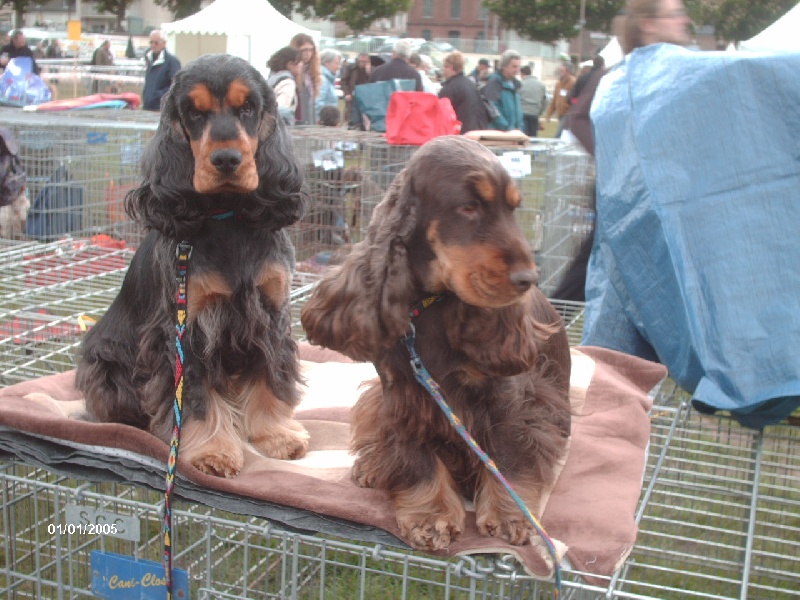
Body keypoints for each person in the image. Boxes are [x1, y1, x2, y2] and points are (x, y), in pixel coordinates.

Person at [437, 50, 487, 134]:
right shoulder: (471, 84)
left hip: (458, 133)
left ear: (451, 67)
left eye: (445, 67)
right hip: (474, 131)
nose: (443, 70)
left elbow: (441, 114)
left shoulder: (449, 88)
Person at [482, 49, 524, 132]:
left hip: (515, 133)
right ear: (504, 66)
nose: (517, 70)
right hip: (499, 133)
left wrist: (520, 128)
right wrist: (507, 128)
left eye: (518, 66)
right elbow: (492, 109)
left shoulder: (516, 85)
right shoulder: (494, 83)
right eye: (514, 66)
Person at [142, 30, 181, 111]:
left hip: (162, 108)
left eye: (156, 43)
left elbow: (177, 85)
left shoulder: (172, 62)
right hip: (147, 106)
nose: (153, 45)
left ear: (164, 43)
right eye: (151, 42)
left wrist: (159, 96)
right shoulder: (149, 60)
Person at [289, 33, 320, 126]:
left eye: (311, 50)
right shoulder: (290, 71)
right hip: (295, 120)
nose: (308, 53)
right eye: (304, 50)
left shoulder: (311, 72)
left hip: (309, 119)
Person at [267, 46, 302, 126]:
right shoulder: (287, 83)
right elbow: (281, 110)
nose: (301, 65)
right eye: (299, 62)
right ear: (290, 64)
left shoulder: (272, 79)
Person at [543, 62, 576, 137]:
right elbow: (554, 101)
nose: (560, 72)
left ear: (568, 72)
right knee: (563, 136)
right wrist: (548, 114)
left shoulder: (573, 83)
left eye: (562, 71)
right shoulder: (558, 84)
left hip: (568, 115)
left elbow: (575, 99)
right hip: (560, 115)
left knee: (557, 136)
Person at [340, 51, 371, 129]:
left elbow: (373, 82)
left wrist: (369, 73)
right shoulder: (352, 68)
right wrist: (347, 93)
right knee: (353, 118)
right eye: (360, 61)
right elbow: (344, 81)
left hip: (366, 98)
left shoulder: (372, 70)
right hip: (353, 96)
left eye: (364, 62)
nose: (362, 64)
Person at [518, 65, 546, 137]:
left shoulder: (520, 84)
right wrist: (540, 112)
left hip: (523, 113)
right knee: (533, 137)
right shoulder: (541, 85)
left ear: (522, 74)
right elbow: (544, 101)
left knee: (523, 136)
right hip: (535, 113)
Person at [316, 49, 342, 120]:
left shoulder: (329, 79)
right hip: (324, 121)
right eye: (337, 63)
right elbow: (318, 103)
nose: (339, 67)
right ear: (327, 63)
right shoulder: (323, 80)